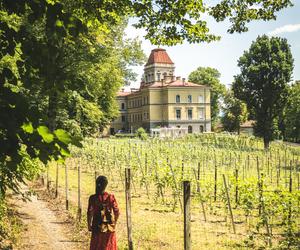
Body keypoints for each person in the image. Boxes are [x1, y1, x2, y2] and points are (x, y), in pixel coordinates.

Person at [87, 176, 120, 250]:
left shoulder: (93, 198)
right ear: (106, 185)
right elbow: (117, 212)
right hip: (109, 227)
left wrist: (89, 225)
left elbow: (89, 212)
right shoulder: (111, 197)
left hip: (97, 226)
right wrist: (114, 223)